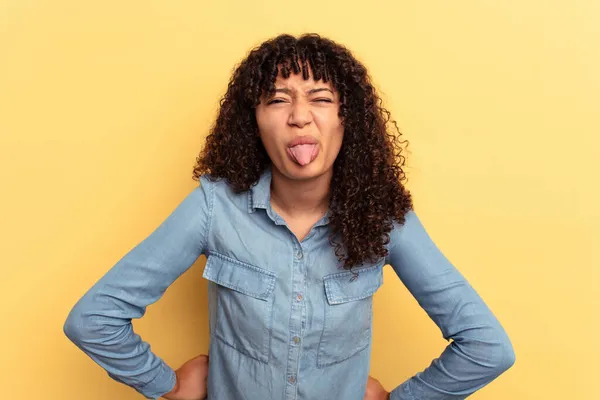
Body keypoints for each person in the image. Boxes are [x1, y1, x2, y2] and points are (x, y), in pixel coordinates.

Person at [64, 33, 515, 400]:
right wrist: (164, 386)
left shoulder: (383, 217)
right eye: (277, 100)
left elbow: (487, 348)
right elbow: (93, 319)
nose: (300, 116)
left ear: (345, 118)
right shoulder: (213, 207)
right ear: (254, 121)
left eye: (320, 98)